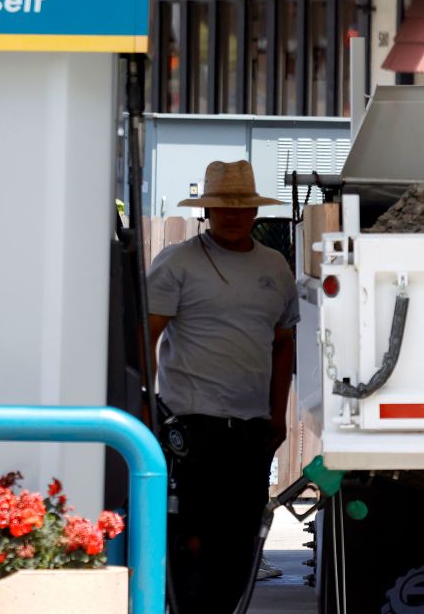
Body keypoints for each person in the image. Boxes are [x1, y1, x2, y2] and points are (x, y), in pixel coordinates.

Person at [147, 160, 298, 613]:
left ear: (255, 213)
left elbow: (283, 345)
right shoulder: (176, 262)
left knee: (240, 539)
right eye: (222, 208)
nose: (232, 216)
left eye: (241, 208)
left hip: (252, 427)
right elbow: (143, 336)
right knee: (190, 539)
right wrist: (143, 411)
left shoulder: (275, 266)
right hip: (191, 425)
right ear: (206, 212)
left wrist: (278, 414)